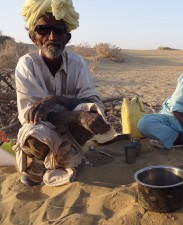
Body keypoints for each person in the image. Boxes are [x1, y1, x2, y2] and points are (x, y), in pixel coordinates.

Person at [13, 0, 117, 186]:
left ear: (67, 38)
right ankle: (40, 161)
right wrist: (76, 115)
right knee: (32, 133)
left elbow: (92, 100)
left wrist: (57, 99)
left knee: (93, 112)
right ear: (33, 37)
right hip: (42, 131)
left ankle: (62, 157)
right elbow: (32, 116)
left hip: (71, 133)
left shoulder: (77, 63)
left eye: (59, 30)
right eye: (43, 30)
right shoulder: (26, 64)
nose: (52, 37)